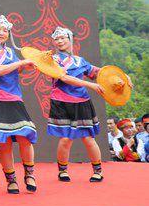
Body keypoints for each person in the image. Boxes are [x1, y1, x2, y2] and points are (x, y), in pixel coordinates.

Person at [48, 26, 115, 180]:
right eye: (56, 39)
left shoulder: (80, 61)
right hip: (61, 101)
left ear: (70, 39)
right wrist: (90, 85)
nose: (59, 41)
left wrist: (121, 76)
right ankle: (62, 170)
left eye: (62, 38)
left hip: (81, 102)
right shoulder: (52, 60)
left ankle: (98, 171)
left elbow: (99, 73)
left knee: (88, 138)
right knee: (65, 138)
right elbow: (64, 77)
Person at [0, 16, 39, 194]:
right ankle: (11, 179)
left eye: (5, 30)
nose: (1, 33)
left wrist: (30, 65)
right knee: (3, 142)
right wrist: (21, 63)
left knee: (25, 137)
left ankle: (29, 174)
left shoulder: (11, 52)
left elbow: (15, 69)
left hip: (14, 97)